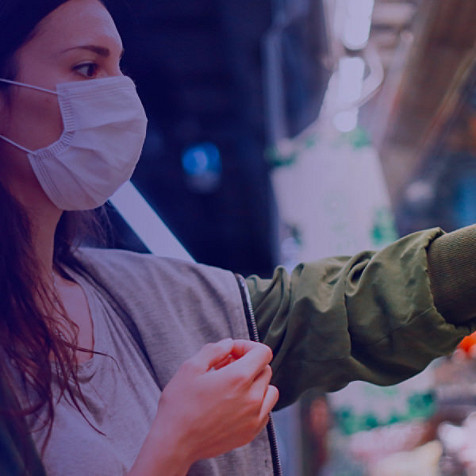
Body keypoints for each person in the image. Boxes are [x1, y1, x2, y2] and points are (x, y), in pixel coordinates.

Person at [0, 0, 474, 475]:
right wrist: (176, 446)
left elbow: (331, 310)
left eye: (118, 69)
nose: (121, 95)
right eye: (86, 67)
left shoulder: (136, 295)